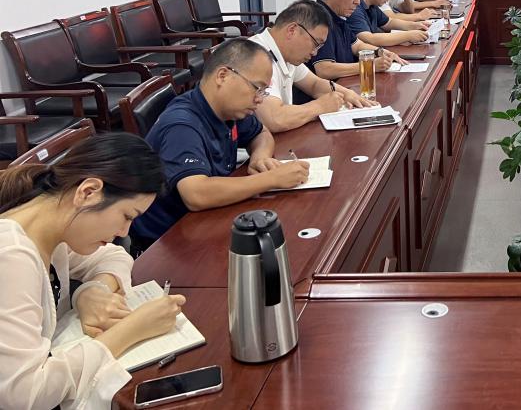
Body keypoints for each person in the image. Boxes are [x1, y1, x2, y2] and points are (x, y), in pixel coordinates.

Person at [0, 133, 186, 409]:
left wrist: (91, 292)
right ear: (88, 192)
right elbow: (24, 394)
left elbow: (114, 256)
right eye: (127, 216)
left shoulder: (52, 226)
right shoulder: (11, 256)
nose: (124, 232)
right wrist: (131, 330)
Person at [129, 39, 311, 251]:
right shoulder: (182, 125)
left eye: (263, 91)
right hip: (169, 243)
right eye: (257, 88)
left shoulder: (227, 108)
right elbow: (196, 194)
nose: (259, 99)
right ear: (223, 76)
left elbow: (261, 133)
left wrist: (260, 157)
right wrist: (271, 179)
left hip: (209, 218)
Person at [249, 0, 376, 133]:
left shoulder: (287, 54)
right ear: (292, 30)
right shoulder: (255, 56)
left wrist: (348, 94)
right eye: (316, 43)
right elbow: (274, 119)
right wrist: (320, 106)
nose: (315, 53)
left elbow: (314, 84)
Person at [309, 0, 407, 81]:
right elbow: (324, 69)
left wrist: (381, 52)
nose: (358, 2)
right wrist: (369, 65)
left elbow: (357, 46)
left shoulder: (339, 15)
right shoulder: (318, 18)